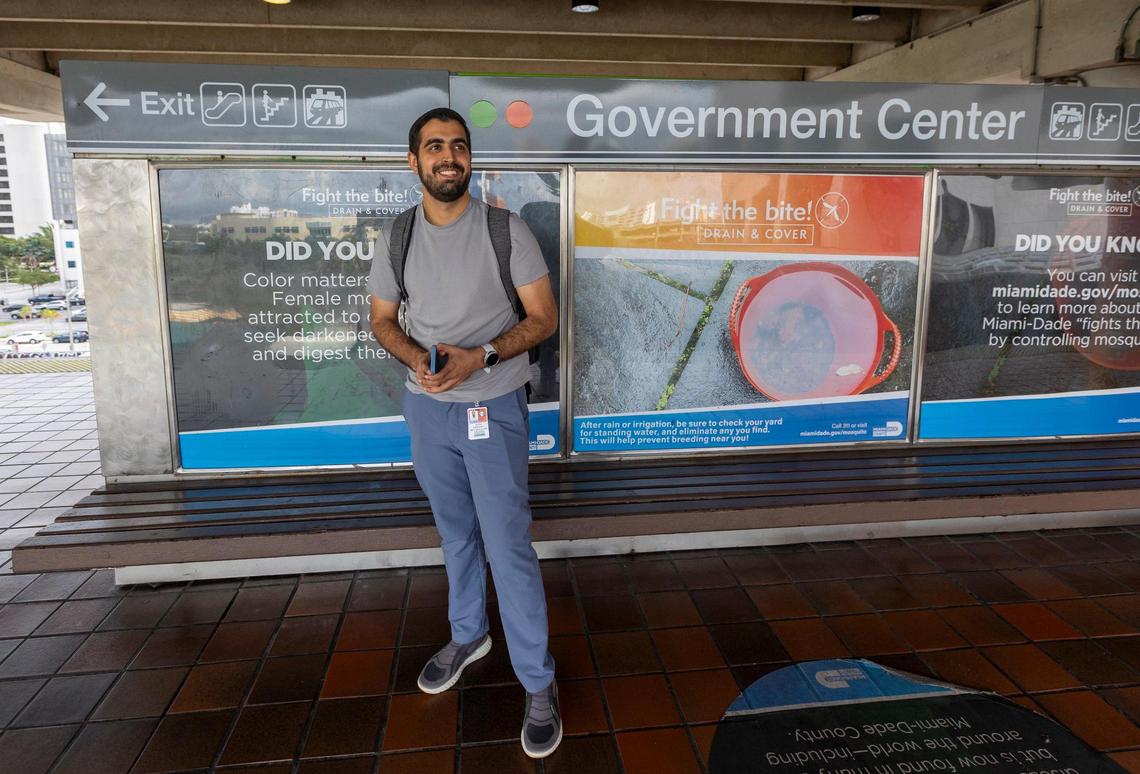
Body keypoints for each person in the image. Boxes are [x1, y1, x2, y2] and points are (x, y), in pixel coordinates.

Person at [367, 107, 561, 759]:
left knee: (507, 546)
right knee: (455, 533)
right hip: (427, 410)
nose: (447, 156)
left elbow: (542, 318)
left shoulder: (508, 230)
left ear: (470, 158)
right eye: (434, 147)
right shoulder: (396, 237)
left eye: (458, 146)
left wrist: (482, 358)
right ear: (414, 161)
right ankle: (468, 634)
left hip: (493, 406)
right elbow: (383, 321)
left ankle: (538, 684)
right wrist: (420, 362)